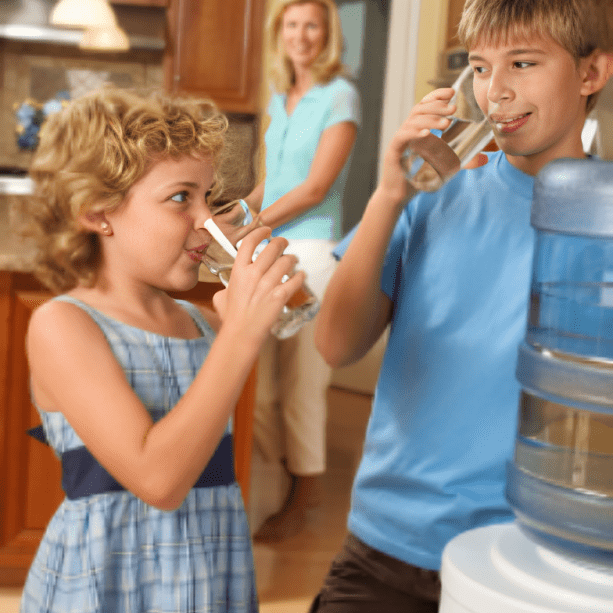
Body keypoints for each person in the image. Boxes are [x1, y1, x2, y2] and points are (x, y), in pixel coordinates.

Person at [310, 0, 611, 610]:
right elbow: (336, 345)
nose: (495, 92)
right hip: (388, 550)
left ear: (590, 74)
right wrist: (388, 195)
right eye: (479, 67)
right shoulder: (433, 197)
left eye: (522, 63)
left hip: (531, 560)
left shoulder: (603, 223)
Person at [18, 88, 305, 613]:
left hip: (207, 573)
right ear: (97, 212)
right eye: (180, 198)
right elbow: (158, 479)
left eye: (208, 197)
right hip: (107, 584)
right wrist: (242, 333)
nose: (206, 220)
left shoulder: (205, 324)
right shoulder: (63, 325)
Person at [243, 0, 360, 542]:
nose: (301, 35)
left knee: (302, 387)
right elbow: (273, 179)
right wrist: (236, 215)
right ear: (280, 33)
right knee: (258, 387)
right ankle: (285, 474)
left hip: (314, 252)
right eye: (292, 25)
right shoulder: (278, 98)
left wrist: (254, 224)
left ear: (326, 33)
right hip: (271, 243)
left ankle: (302, 494)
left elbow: (314, 187)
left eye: (311, 25)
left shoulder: (340, 97)